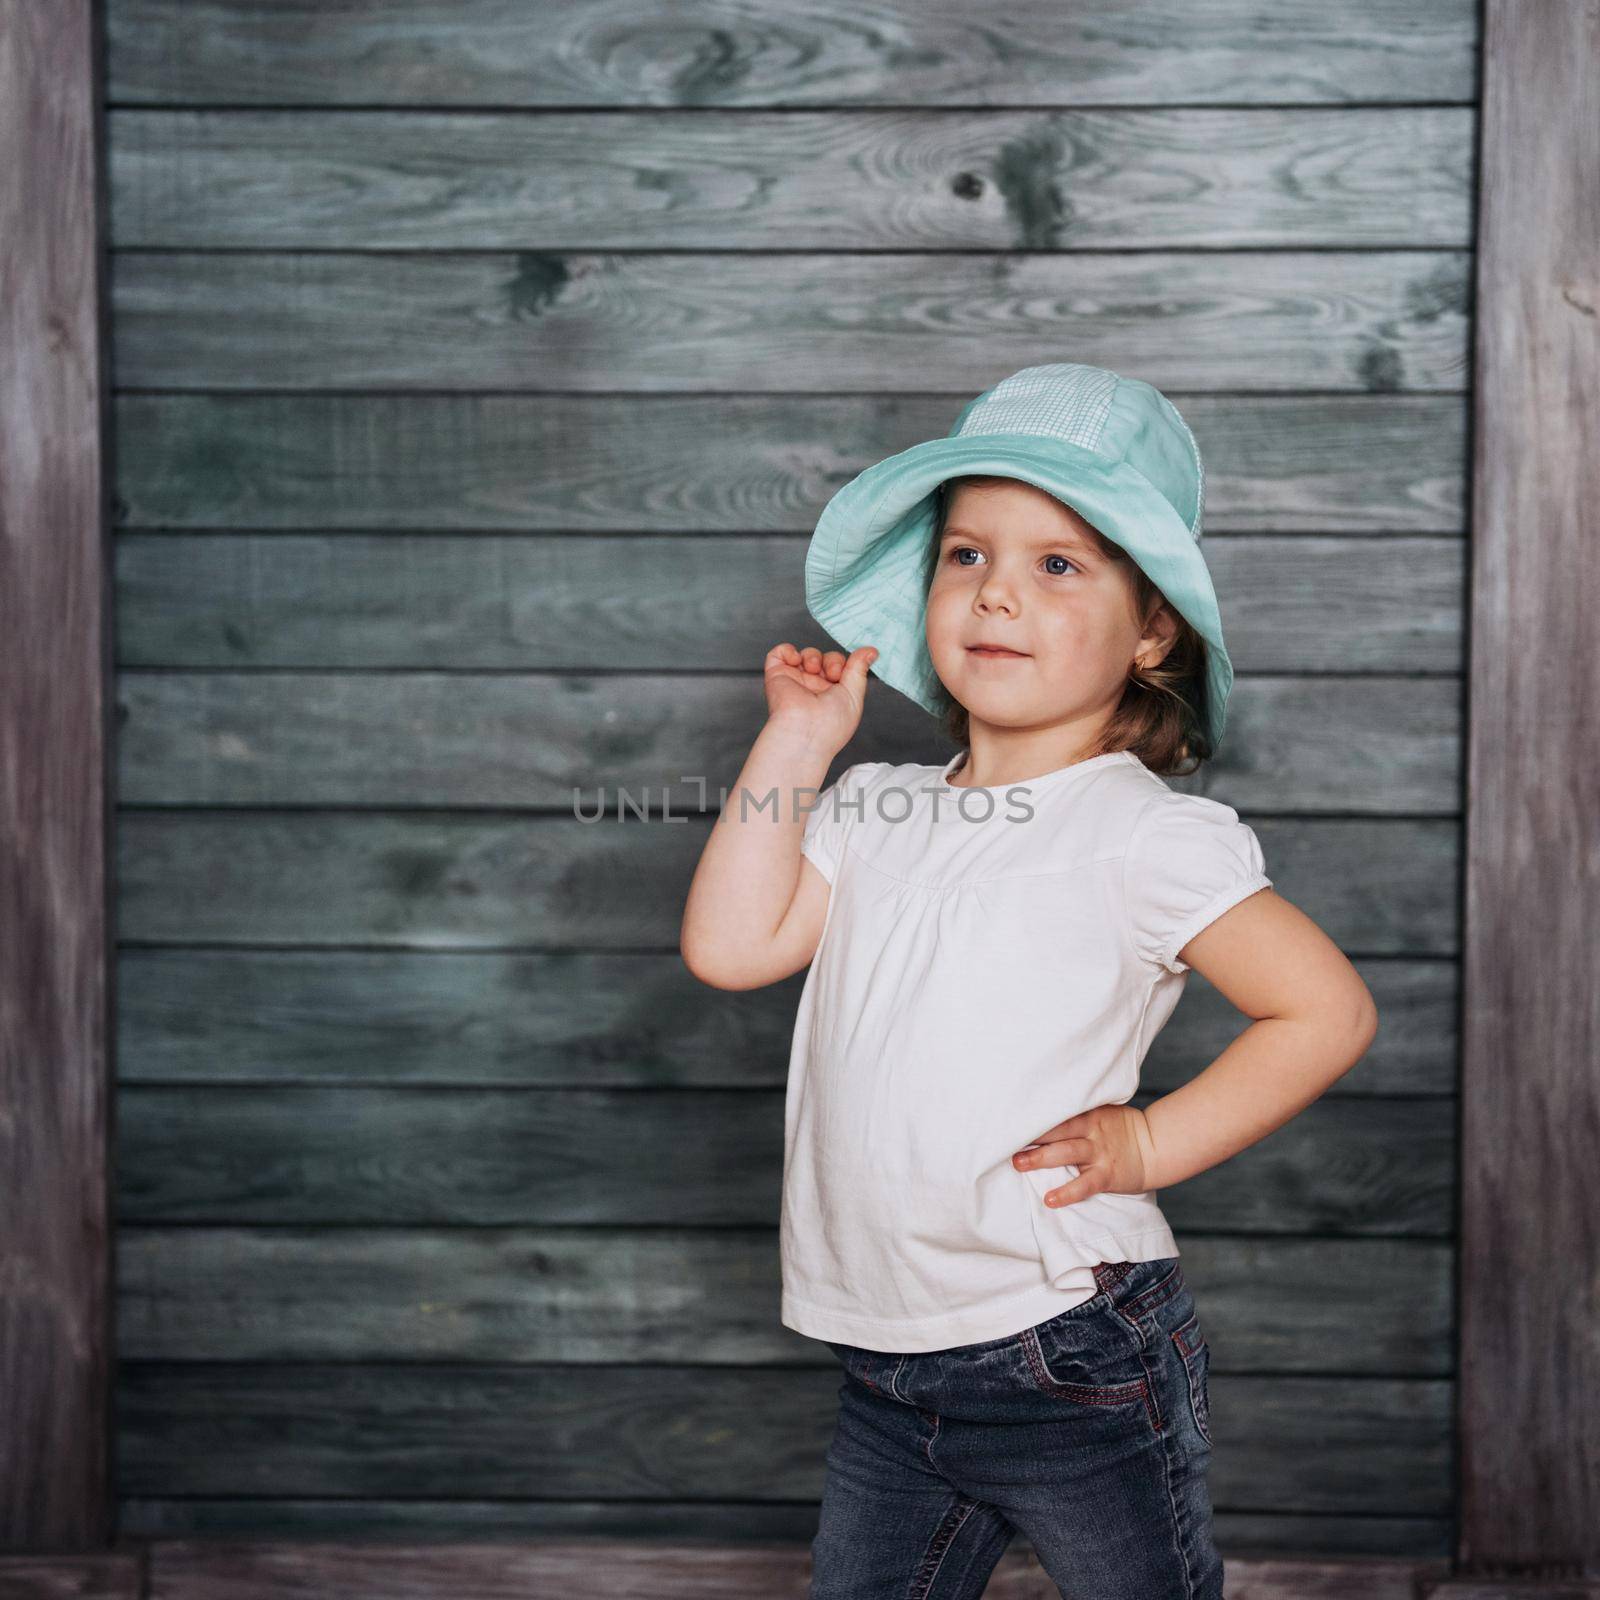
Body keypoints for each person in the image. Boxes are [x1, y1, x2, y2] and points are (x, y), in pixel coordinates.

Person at [679, 363, 1378, 1599]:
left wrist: (1147, 1145)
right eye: (965, 554)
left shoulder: (1141, 831)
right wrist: (794, 741)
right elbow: (731, 947)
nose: (997, 587)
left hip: (1063, 1340)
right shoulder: (872, 805)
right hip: (888, 1357)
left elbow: (1323, 1009)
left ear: (1150, 626)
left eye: (1059, 564)